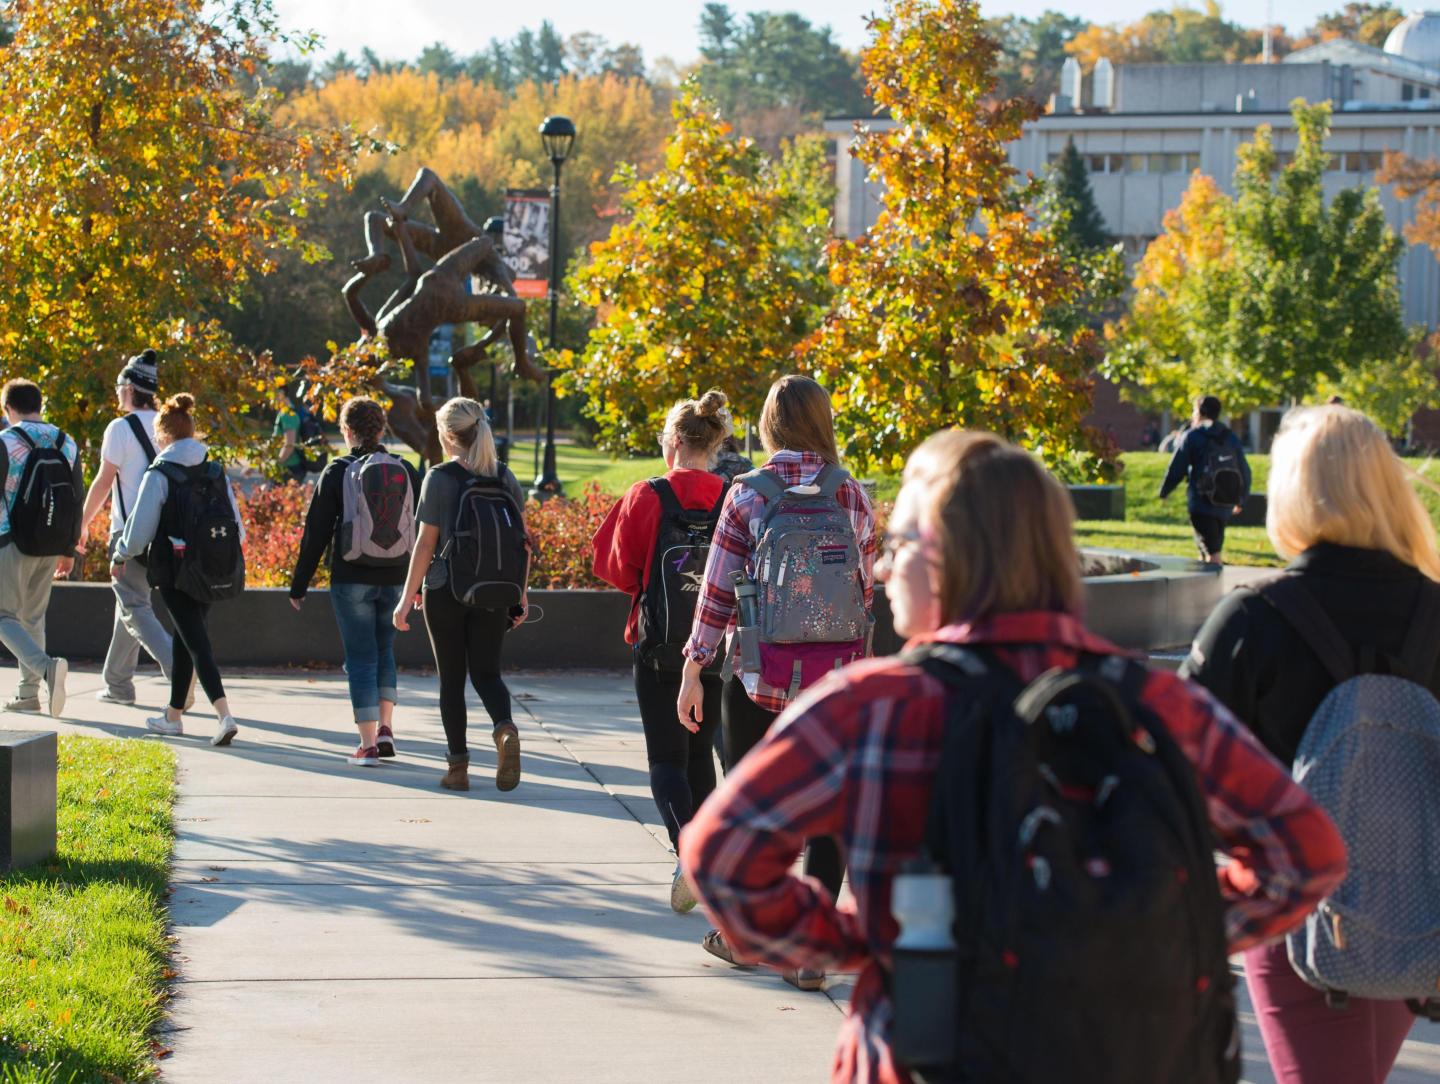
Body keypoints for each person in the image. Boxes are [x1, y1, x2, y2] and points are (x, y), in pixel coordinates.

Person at [681, 429, 1349, 1084]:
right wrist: (1159, 929)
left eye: (898, 543)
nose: (880, 566)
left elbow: (722, 857)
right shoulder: (1159, 707)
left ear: (948, 556)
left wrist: (861, 940)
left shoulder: (869, 710)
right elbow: (1306, 852)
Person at [1180, 405, 1440, 1084]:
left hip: (1294, 913)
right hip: (1420, 912)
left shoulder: (1253, 619)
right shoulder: (1436, 610)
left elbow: (1173, 766)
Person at [677, 374, 877, 991]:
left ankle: (746, 937)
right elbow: (866, 590)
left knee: (756, 811)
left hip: (759, 677)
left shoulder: (747, 494)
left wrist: (693, 667)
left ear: (769, 424)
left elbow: (716, 593)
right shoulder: (851, 495)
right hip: (835, 683)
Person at [592, 389, 731, 912]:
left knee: (665, 758)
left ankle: (687, 853)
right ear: (714, 442)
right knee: (700, 755)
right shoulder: (732, 496)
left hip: (658, 646)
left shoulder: (647, 495)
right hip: (714, 647)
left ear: (673, 441)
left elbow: (614, 567)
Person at [393, 397, 528, 792]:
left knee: (451, 679)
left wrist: (406, 598)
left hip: (446, 589)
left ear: (448, 434)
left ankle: (458, 769)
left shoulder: (440, 477)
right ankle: (504, 729)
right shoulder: (504, 477)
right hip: (495, 590)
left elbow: (425, 544)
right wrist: (519, 596)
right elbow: (523, 544)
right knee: (487, 672)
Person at [290, 397, 421, 766]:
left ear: (346, 431)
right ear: (381, 430)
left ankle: (366, 747)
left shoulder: (336, 472)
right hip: (397, 577)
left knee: (361, 657)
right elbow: (423, 531)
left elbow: (315, 533)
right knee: (384, 651)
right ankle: (386, 728)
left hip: (351, 579)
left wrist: (299, 584)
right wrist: (420, 584)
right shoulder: (407, 470)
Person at [113, 394, 243, 747]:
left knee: (197, 642)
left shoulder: (160, 473)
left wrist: (121, 554)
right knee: (188, 638)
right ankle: (172, 716)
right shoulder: (215, 470)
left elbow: (139, 530)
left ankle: (224, 715)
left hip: (174, 569)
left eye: (158, 437)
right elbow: (236, 524)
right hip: (212, 567)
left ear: (166, 437)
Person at [77, 349, 179, 706]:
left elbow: (104, 482)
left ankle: (179, 670)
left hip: (130, 533)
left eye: (120, 385)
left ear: (131, 388)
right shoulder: (167, 425)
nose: (117, 391)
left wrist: (82, 523)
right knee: (132, 604)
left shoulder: (120, 428)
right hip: (167, 534)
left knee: (134, 604)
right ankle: (118, 684)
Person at [0, 379, 81, 717]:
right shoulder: (67, 442)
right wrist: (69, 548)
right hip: (51, 542)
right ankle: (28, 695)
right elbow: (75, 496)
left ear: (8, 408)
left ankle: (46, 669)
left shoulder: (6, 441)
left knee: (4, 615)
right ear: (39, 405)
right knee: (33, 617)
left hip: (10, 538)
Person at [1159, 394, 1251, 564]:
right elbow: (1244, 469)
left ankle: (1214, 587)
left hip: (1202, 503)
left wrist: (1164, 491)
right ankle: (1204, 585)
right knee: (1209, 548)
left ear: (1200, 412)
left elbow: (1177, 467)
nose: (1193, 414)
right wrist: (1242, 499)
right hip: (1225, 502)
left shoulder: (1193, 436)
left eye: (1194, 410)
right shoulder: (1230, 436)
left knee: (1212, 554)